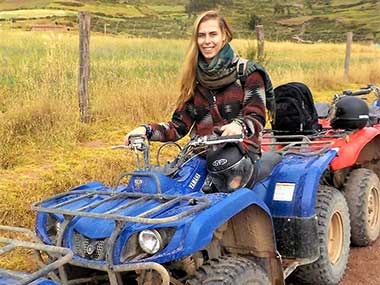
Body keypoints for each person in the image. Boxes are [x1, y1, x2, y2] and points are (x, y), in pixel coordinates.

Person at [124, 10, 271, 192]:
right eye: (201, 35)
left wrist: (239, 126)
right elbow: (177, 127)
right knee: (162, 191)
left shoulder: (247, 72)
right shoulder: (195, 77)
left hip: (238, 157)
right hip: (200, 157)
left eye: (213, 34)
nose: (207, 41)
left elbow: (256, 118)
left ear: (224, 36)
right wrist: (146, 130)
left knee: (219, 208)